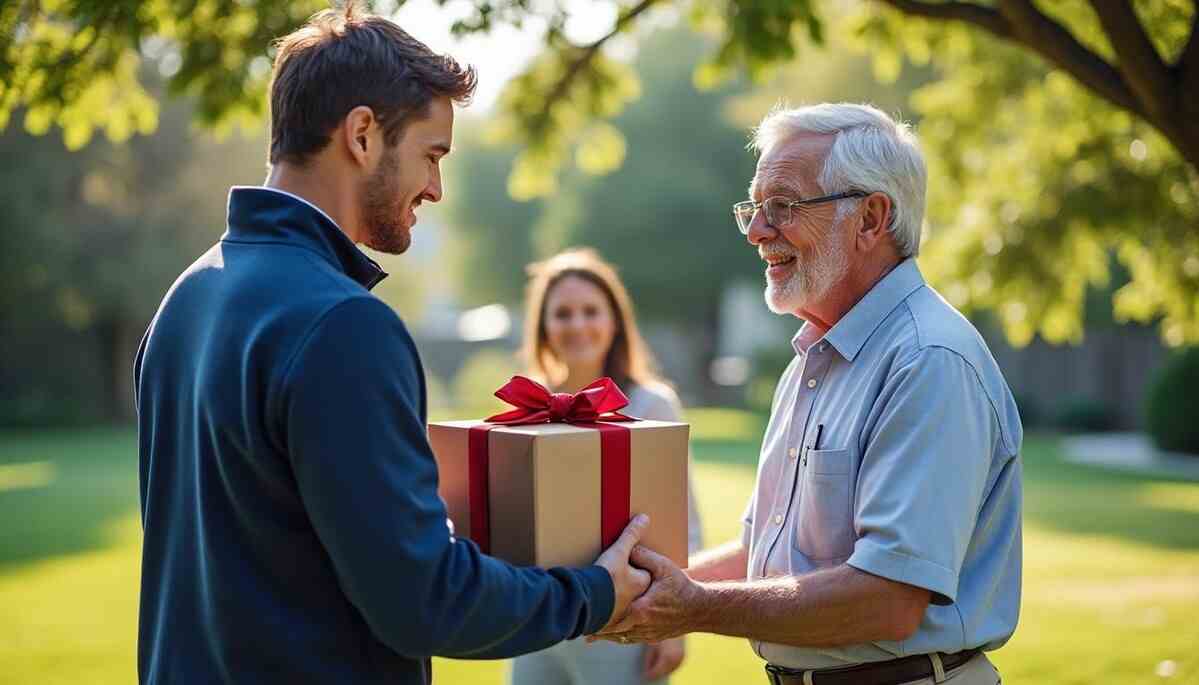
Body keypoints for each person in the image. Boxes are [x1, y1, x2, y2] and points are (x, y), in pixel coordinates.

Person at [133, 7, 651, 684]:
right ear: (361, 134)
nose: (435, 187)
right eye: (431, 155)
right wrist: (593, 592)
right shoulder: (343, 324)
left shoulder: (183, 300)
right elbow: (422, 599)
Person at [593, 103, 1023, 685]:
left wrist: (690, 607)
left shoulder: (928, 361)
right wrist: (625, 593)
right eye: (754, 206)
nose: (756, 231)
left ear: (871, 218)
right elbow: (763, 555)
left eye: (784, 206)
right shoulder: (813, 361)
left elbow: (888, 599)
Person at [510, 248, 704, 685]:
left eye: (590, 311)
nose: (577, 325)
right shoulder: (528, 406)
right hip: (541, 615)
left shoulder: (651, 404)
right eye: (562, 313)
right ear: (543, 326)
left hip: (626, 616)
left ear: (614, 320)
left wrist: (677, 623)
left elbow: (681, 522)